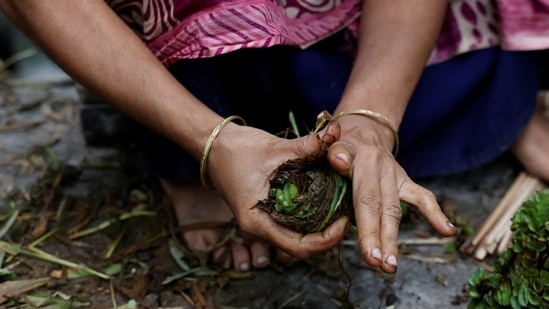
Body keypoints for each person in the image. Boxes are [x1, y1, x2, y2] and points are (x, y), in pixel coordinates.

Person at [1, 0, 548, 275]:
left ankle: (495, 108)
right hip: (170, 23)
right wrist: (210, 141)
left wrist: (371, 119)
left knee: (462, 83)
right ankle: (187, 140)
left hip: (340, 27)